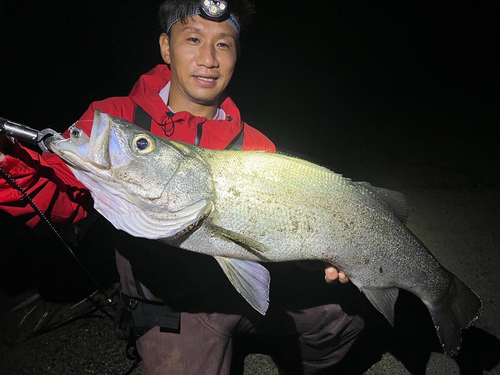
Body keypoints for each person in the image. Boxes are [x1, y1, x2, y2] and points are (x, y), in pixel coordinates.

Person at [0, 1, 362, 374]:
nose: (208, 59)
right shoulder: (117, 122)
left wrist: (316, 255)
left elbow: (277, 240)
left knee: (344, 320)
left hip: (242, 292)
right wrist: (9, 166)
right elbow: (62, 200)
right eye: (192, 39)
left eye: (223, 44)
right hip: (176, 310)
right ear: (166, 47)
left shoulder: (257, 148)